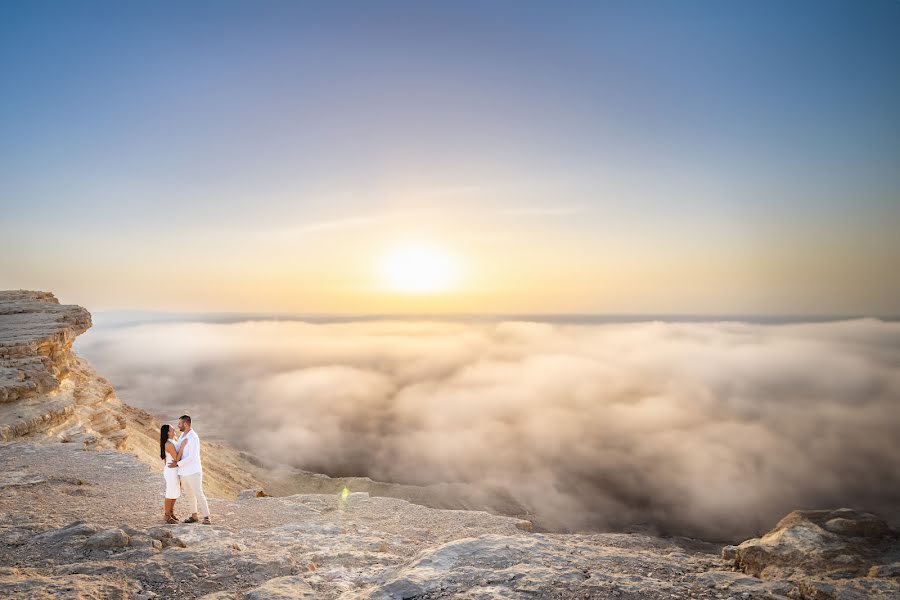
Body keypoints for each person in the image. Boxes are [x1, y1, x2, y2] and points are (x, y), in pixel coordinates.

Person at [167, 414, 211, 525]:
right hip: (183, 472)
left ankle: (207, 517)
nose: (178, 426)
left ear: (185, 424)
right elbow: (177, 449)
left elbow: (192, 457)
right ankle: (194, 516)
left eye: (180, 424)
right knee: (190, 494)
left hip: (193, 471)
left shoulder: (193, 437)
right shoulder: (182, 436)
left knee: (198, 493)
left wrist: (177, 464)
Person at [159, 424, 181, 524]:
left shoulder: (173, 441)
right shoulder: (169, 444)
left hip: (175, 469)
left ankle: (171, 512)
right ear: (168, 432)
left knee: (175, 491)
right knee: (170, 492)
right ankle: (166, 515)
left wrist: (177, 464)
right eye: (172, 429)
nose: (174, 429)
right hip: (171, 471)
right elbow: (177, 458)